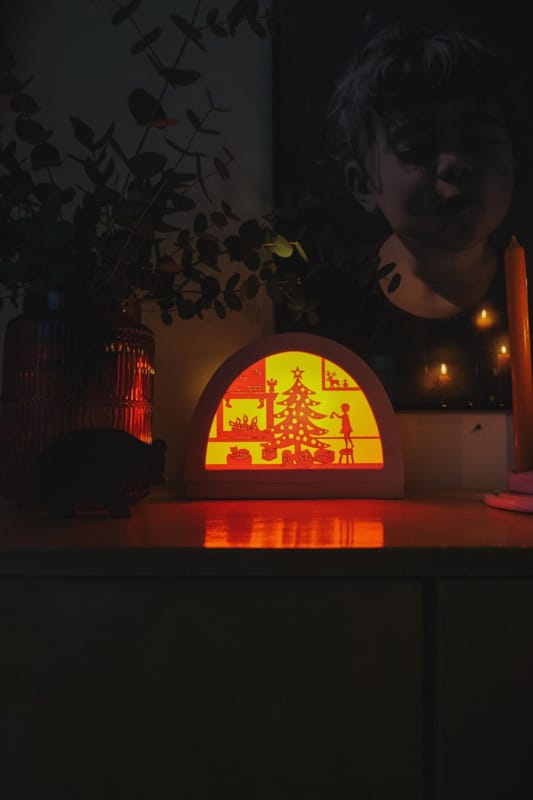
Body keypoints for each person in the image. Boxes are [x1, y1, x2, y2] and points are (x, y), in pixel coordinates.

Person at [294, 19, 523, 409]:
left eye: (480, 140)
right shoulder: (331, 307)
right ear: (363, 184)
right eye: (418, 147)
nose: (454, 163)